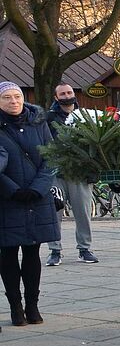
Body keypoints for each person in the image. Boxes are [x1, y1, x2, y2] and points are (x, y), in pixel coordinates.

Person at [0, 81, 60, 327]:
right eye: (7, 97)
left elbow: (51, 157)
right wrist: (12, 190)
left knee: (33, 251)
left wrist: (37, 188)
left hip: (37, 197)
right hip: (7, 199)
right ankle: (15, 306)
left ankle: (32, 305)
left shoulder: (38, 122)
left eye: (17, 96)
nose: (13, 101)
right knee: (8, 252)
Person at [45, 82, 100, 266]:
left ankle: (85, 249)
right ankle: (54, 251)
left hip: (80, 173)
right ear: (56, 97)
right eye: (62, 93)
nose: (67, 96)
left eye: (69, 92)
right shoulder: (48, 119)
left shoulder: (85, 116)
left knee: (83, 213)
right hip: (56, 173)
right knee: (55, 212)